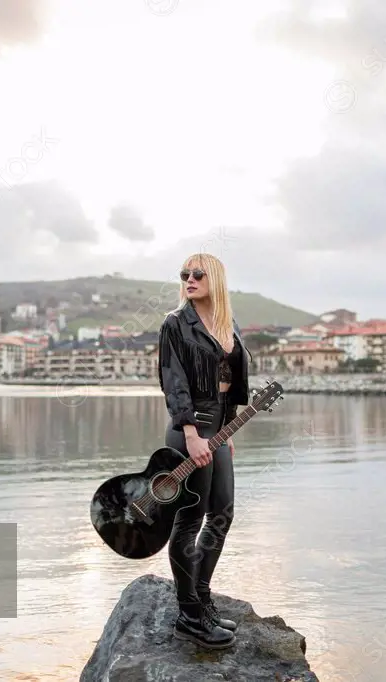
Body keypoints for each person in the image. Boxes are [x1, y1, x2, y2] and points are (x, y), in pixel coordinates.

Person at [156, 252, 251, 649]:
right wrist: (192, 432)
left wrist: (227, 425)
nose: (189, 280)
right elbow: (173, 379)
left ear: (216, 279)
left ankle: (203, 599)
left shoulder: (229, 325)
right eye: (185, 275)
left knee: (222, 513)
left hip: (219, 427)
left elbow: (229, 379)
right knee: (189, 521)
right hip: (189, 430)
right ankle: (189, 615)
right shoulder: (176, 324)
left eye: (198, 274)